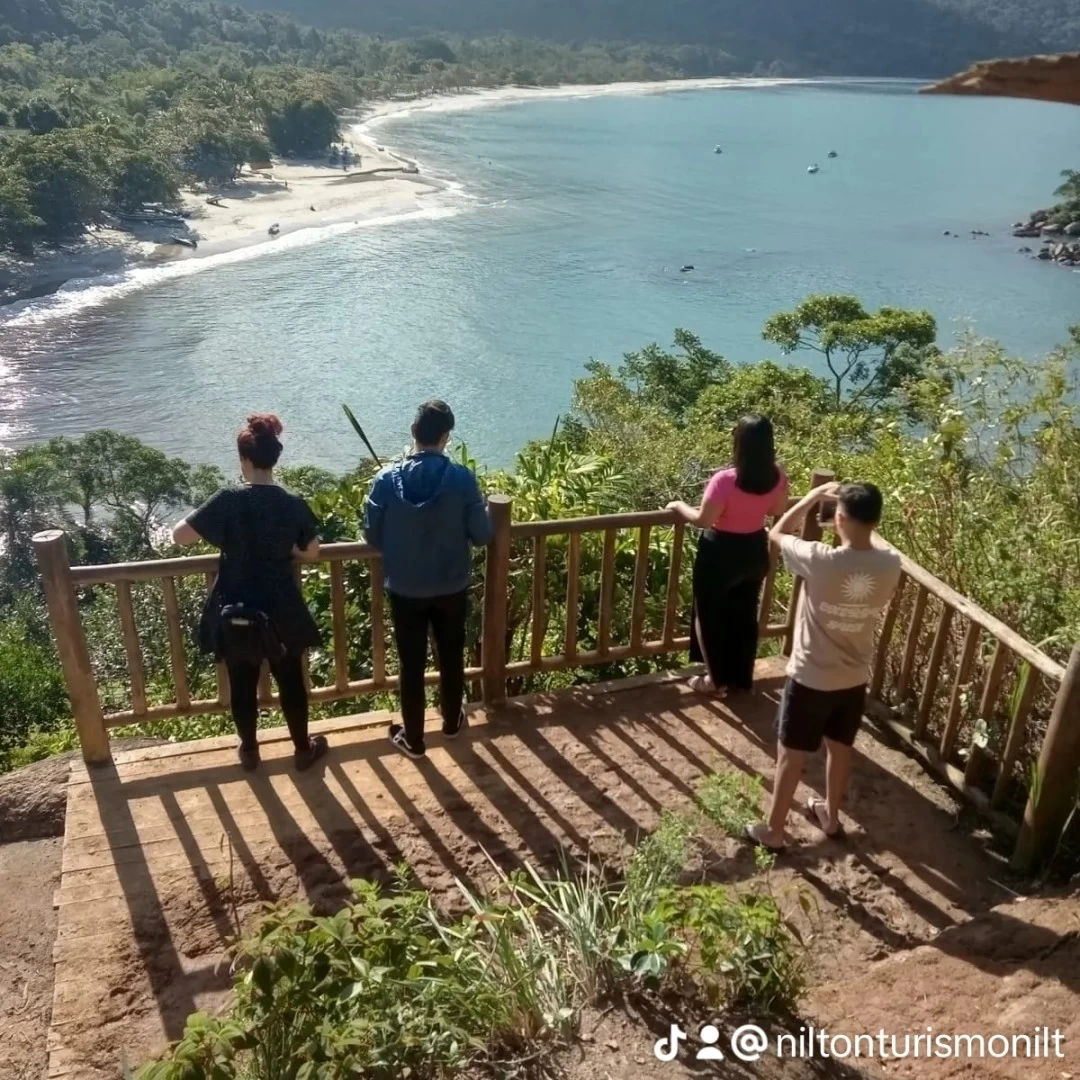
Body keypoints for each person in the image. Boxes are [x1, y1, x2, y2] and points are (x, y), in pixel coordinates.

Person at [748, 481, 902, 852]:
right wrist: (853, 518)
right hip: (852, 679)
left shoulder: (821, 559)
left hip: (810, 676)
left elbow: (777, 532)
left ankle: (773, 832)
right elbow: (877, 542)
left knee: (790, 755)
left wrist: (813, 498)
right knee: (840, 749)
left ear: (839, 518)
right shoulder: (889, 563)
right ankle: (831, 818)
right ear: (876, 520)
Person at [172, 414, 327, 772]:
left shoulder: (229, 498)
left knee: (242, 682)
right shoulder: (292, 501)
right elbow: (313, 551)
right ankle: (303, 749)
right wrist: (289, 550)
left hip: (238, 605)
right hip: (282, 606)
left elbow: (180, 536)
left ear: (244, 459)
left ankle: (250, 751)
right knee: (290, 679)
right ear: (274, 459)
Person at [364, 400, 494, 760]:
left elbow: (372, 536)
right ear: (446, 437)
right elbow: (482, 535)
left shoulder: (386, 480)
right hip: (452, 585)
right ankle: (452, 724)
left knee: (411, 665)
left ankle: (415, 740)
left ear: (413, 434)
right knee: (451, 658)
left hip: (405, 588)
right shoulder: (463, 479)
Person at [666, 416, 789, 696]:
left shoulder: (725, 480)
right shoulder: (777, 475)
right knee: (744, 616)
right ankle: (740, 679)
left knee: (708, 616)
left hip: (721, 552)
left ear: (739, 443)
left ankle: (714, 680)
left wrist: (678, 505)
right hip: (755, 550)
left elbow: (703, 520)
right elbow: (776, 509)